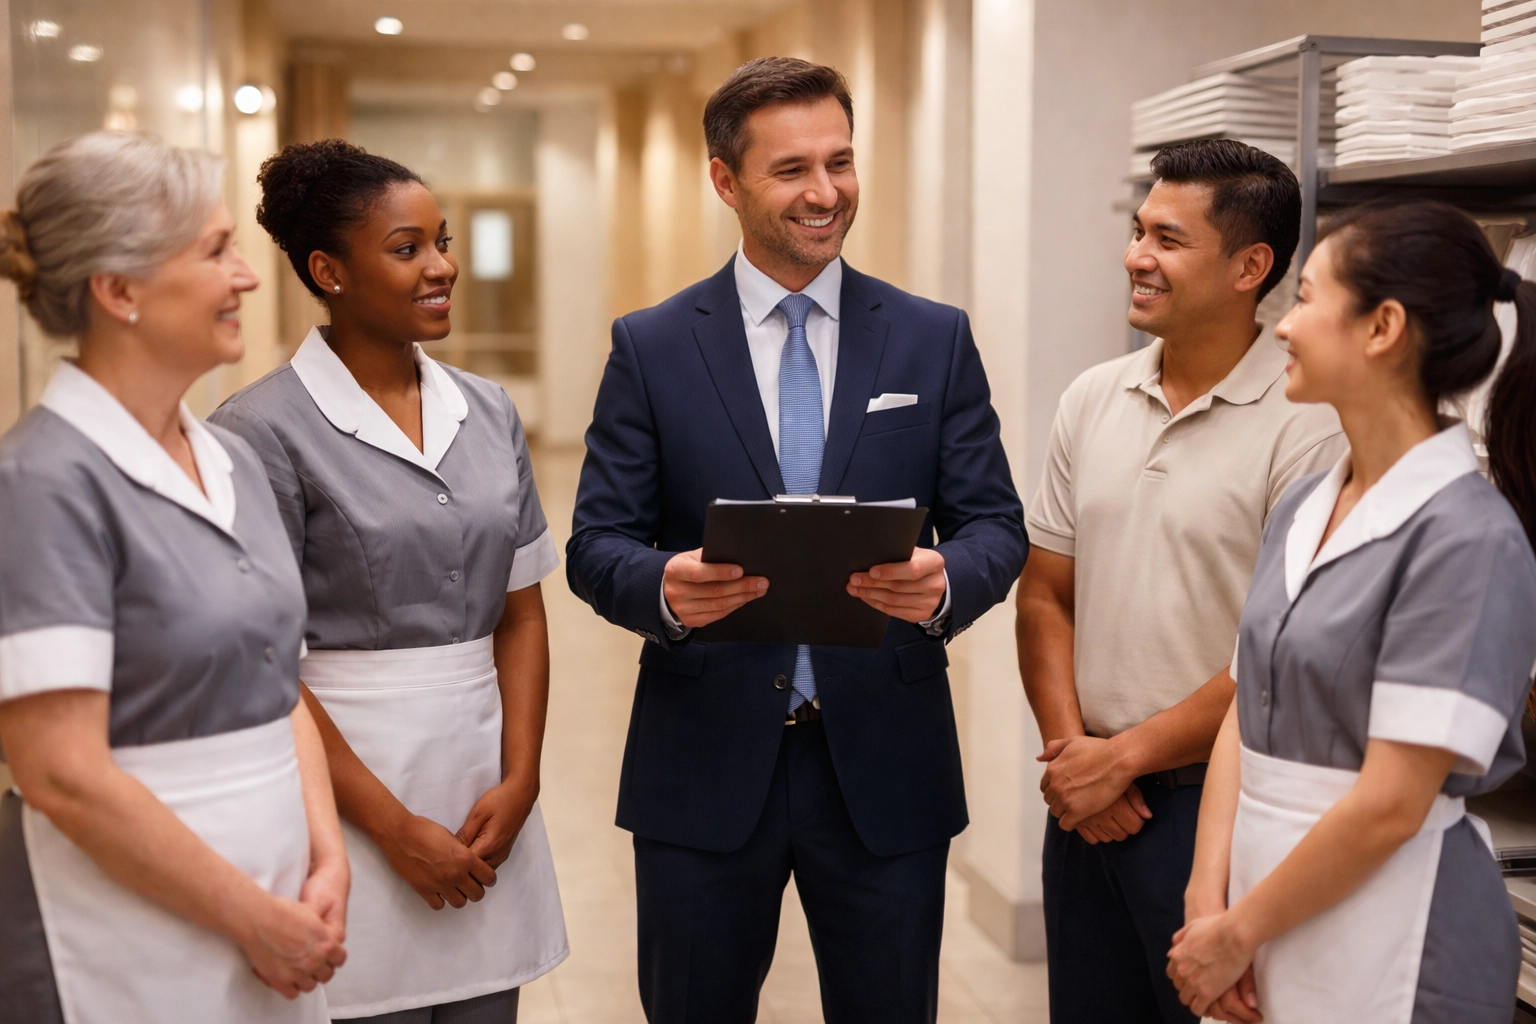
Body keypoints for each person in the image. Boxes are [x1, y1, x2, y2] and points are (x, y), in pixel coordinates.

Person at [567, 57, 1025, 1024]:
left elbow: (996, 525)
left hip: (886, 767)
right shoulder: (651, 345)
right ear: (725, 182)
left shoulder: (930, 338)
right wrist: (662, 586)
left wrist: (949, 583)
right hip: (702, 766)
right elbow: (596, 543)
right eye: (792, 171)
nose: (826, 193)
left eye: (842, 162)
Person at [209, 139, 567, 1024]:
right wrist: (393, 829)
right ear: (328, 270)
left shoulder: (486, 410)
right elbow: (267, 667)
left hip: (486, 793)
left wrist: (521, 777)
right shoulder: (258, 433)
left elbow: (521, 613)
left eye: (440, 242)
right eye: (407, 249)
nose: (442, 266)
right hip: (346, 797)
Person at [0, 132, 348, 1024]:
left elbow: (284, 686)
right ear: (117, 291)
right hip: (121, 937)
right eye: (215, 250)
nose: (248, 275)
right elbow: (59, 772)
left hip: (278, 916)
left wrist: (326, 855)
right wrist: (252, 918)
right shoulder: (41, 484)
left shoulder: (231, 458)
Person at [1168, 201, 1536, 1024]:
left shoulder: (1469, 539)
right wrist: (1206, 903)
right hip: (1256, 914)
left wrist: (1238, 930)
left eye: (1304, 298)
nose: (1283, 326)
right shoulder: (1304, 504)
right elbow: (1243, 714)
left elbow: (1392, 803)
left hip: (1398, 932)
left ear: (1383, 328)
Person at [1017, 138, 1347, 1024]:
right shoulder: (1092, 397)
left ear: (1250, 267)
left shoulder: (1311, 423)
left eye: (1167, 238)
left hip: (1220, 810)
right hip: (1085, 803)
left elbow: (1276, 654)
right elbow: (1046, 592)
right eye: (1137, 231)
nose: (1136, 257)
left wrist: (1123, 760)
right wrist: (1073, 759)